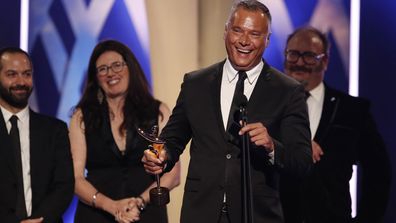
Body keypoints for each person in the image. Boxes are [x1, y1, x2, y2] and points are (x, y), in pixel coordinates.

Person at [142, 1, 312, 222]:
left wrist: (271, 146)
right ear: (226, 31)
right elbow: (173, 139)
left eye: (254, 34)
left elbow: (302, 163)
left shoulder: (288, 91)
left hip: (256, 214)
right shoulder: (196, 83)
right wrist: (161, 156)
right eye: (237, 30)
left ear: (267, 40)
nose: (244, 41)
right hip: (201, 212)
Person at [281, 26, 392, 223]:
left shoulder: (352, 110)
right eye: (293, 54)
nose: (299, 62)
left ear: (325, 61)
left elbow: (379, 172)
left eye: (308, 56)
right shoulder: (266, 104)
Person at [69, 39, 180, 223]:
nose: (110, 73)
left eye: (117, 65)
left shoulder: (158, 111)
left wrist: (139, 202)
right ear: (95, 77)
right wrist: (112, 206)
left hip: (146, 212)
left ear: (130, 68)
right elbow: (76, 178)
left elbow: (173, 174)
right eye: (102, 69)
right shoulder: (81, 117)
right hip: (97, 214)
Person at [0, 47, 74, 223]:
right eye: (12, 74)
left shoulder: (55, 130)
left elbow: (64, 186)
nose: (21, 81)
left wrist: (39, 220)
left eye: (26, 74)